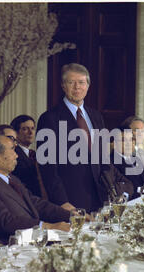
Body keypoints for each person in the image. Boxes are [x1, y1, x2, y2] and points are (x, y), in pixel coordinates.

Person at [0, 134, 72, 243]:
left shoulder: (12, 179)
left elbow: (36, 203)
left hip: (35, 240)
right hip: (14, 247)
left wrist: (70, 215)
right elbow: (5, 221)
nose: (16, 155)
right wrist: (47, 226)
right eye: (12, 150)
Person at [36, 63, 106, 213]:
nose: (77, 87)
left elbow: (103, 157)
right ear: (63, 86)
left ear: (88, 85)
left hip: (99, 197)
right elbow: (48, 167)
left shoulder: (96, 116)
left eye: (81, 82)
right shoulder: (49, 118)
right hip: (70, 199)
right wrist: (62, 202)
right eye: (71, 82)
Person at [111, 126, 144, 199]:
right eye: (123, 140)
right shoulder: (111, 163)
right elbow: (124, 189)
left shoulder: (135, 159)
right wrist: (142, 190)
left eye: (131, 139)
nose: (129, 143)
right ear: (114, 143)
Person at [9, 116, 48, 199]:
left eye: (33, 128)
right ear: (15, 133)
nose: (31, 132)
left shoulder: (34, 154)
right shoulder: (13, 155)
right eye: (25, 129)